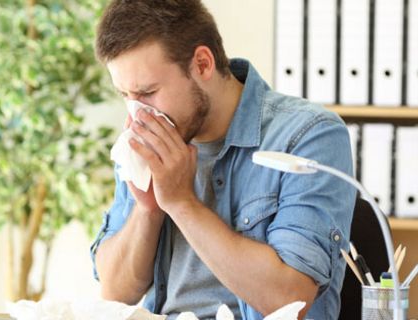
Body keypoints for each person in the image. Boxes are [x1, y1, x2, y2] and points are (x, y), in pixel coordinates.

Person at [89, 1, 355, 319]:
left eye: (147, 92)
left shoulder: (307, 136)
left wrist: (181, 203)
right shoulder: (146, 138)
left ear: (202, 64)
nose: (138, 115)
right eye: (126, 96)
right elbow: (115, 292)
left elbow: (289, 299)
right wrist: (148, 210)